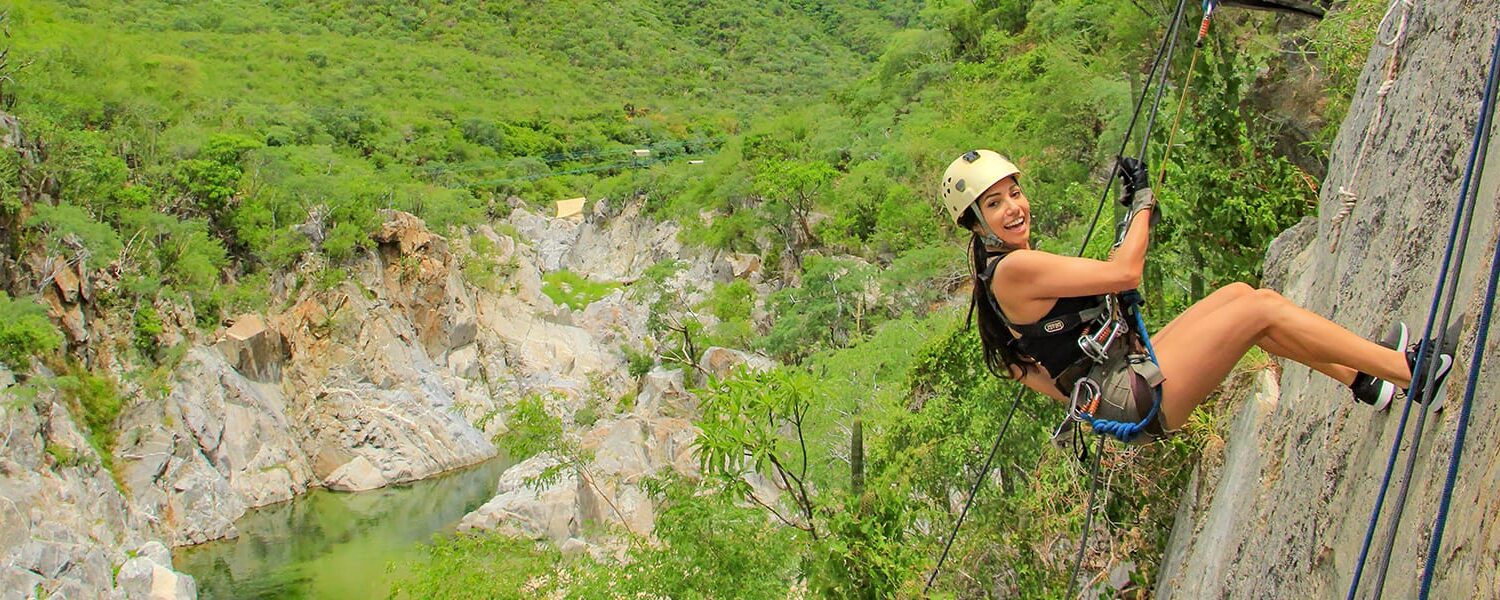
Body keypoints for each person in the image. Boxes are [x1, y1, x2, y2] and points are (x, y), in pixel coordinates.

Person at [939, 149, 1457, 441]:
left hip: (1121, 385)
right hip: (1131, 391)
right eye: (995, 202)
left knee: (1239, 297)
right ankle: (1412, 373)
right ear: (975, 221)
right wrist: (1141, 203)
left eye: (1014, 192)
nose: (1014, 208)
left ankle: (1366, 379)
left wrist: (1093, 403)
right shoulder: (1018, 268)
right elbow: (1124, 273)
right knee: (1260, 310)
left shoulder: (993, 277)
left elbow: (1028, 371)